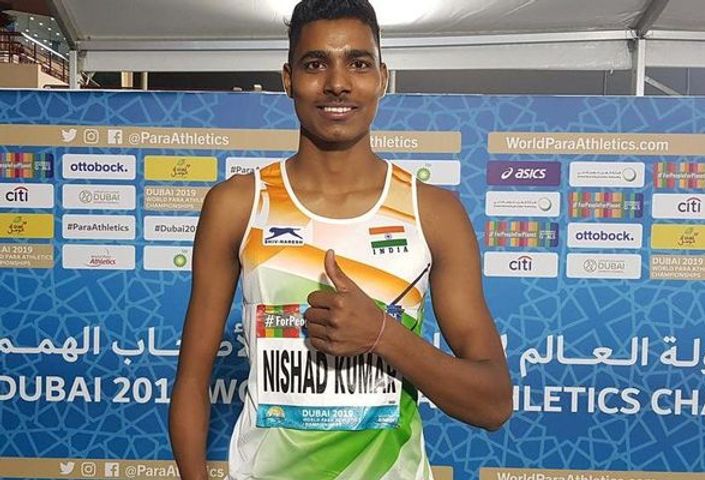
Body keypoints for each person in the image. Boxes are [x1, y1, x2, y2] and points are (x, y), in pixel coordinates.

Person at [168, 1, 512, 478]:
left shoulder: (433, 213)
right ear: (288, 79)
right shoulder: (238, 205)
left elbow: (493, 403)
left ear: (382, 78)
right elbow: (191, 381)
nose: (337, 83)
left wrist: (382, 335)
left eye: (358, 63)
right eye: (315, 64)